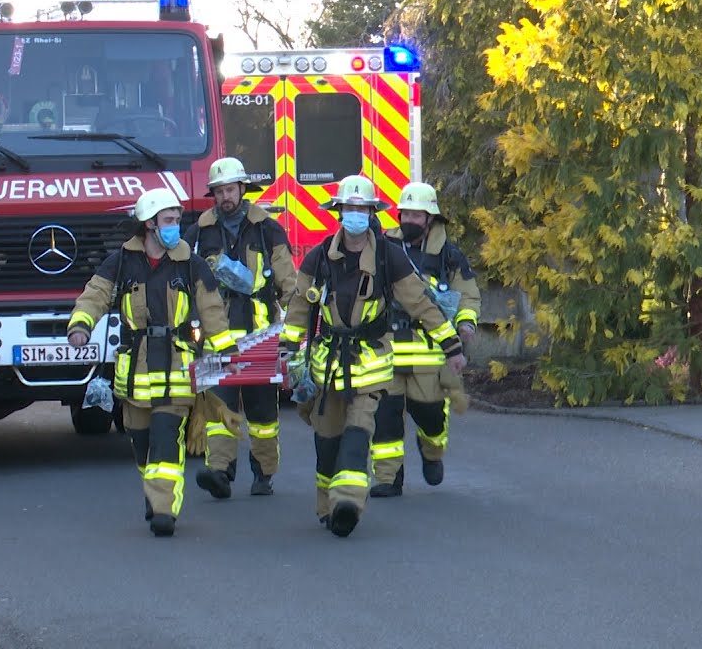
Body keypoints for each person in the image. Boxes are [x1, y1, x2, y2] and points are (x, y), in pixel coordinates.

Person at [279, 175, 465, 537]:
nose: (355, 215)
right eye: (349, 208)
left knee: (358, 434)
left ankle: (347, 502)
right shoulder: (318, 258)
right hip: (329, 366)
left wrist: (451, 346)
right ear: (339, 212)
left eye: (361, 209)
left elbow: (420, 302)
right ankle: (326, 504)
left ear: (371, 212)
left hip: (371, 367)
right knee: (327, 440)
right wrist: (288, 351)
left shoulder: (387, 256)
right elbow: (300, 308)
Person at [66, 187, 238, 537]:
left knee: (164, 440)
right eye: (169, 221)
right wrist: (81, 326)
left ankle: (164, 510)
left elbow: (212, 309)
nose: (175, 226)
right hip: (136, 375)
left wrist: (224, 350)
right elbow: (95, 295)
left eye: (177, 220)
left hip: (176, 370)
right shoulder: (121, 262)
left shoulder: (191, 264)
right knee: (142, 445)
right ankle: (155, 491)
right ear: (148, 224)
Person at [185, 157, 298, 498]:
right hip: (216, 338)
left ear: (242, 189)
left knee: (263, 417)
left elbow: (287, 280)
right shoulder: (199, 232)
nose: (225, 197)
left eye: (230, 189)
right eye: (218, 191)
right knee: (220, 411)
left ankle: (263, 473)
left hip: (258, 338)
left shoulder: (267, 229)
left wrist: (297, 324)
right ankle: (220, 473)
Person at [369, 181, 481, 497]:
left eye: (417, 216)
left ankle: (431, 452)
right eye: (405, 214)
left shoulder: (450, 256)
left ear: (430, 219)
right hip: (387, 348)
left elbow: (469, 296)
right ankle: (388, 479)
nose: (409, 221)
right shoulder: (383, 247)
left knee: (431, 417)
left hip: (429, 352)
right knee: (385, 417)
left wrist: (466, 326)